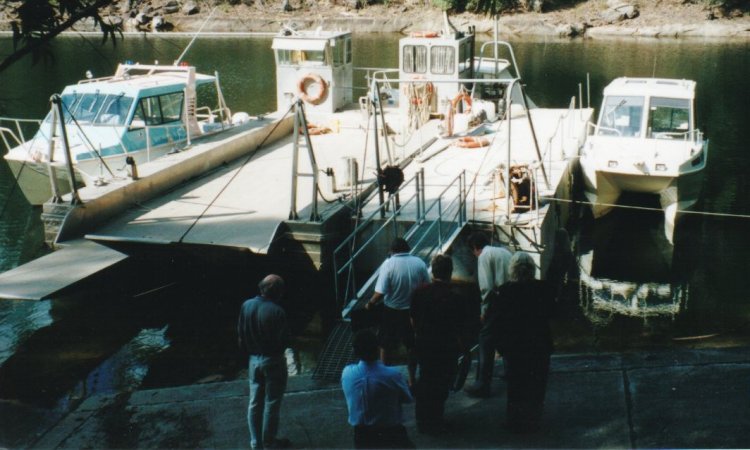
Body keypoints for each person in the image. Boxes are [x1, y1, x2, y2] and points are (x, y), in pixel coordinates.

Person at [485, 251, 556, 433]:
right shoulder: (544, 288)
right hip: (539, 344)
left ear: (512, 270)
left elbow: (494, 322)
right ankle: (533, 419)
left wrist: (500, 347)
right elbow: (552, 313)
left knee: (516, 385)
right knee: (537, 384)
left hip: (515, 346)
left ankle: (515, 421)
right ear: (532, 269)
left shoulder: (503, 291)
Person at [409, 254, 469, 433]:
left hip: (424, 343)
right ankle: (436, 420)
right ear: (450, 272)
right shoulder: (456, 297)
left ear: (433, 272)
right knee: (441, 384)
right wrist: (465, 349)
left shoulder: (419, 292)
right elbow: (459, 328)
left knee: (425, 380)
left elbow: (412, 320)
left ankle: (423, 420)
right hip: (446, 347)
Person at [365, 237, 429, 386]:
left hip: (392, 311)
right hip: (412, 312)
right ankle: (412, 379)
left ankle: (384, 378)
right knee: (411, 347)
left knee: (385, 345)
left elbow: (380, 292)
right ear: (407, 249)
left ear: (392, 251)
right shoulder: (419, 263)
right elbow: (426, 285)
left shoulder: (388, 264)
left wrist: (370, 303)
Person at [237, 274, 292, 449]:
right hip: (273, 360)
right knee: (272, 402)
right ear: (278, 292)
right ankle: (269, 441)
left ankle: (255, 442)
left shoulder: (246, 305)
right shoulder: (277, 311)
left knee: (254, 402)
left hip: (253, 360)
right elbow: (285, 341)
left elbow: (241, 336)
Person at [341, 329, 415, 449]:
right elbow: (408, 399)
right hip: (391, 432)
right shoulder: (393, 375)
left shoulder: (347, 372)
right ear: (377, 349)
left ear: (355, 351)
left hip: (361, 435)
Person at [465, 231, 513, 398]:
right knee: (505, 336)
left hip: (498, 299)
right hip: (512, 297)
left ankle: (482, 384)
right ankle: (510, 371)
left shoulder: (484, 256)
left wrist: (484, 311)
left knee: (485, 339)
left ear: (475, 248)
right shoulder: (504, 251)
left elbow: (486, 287)